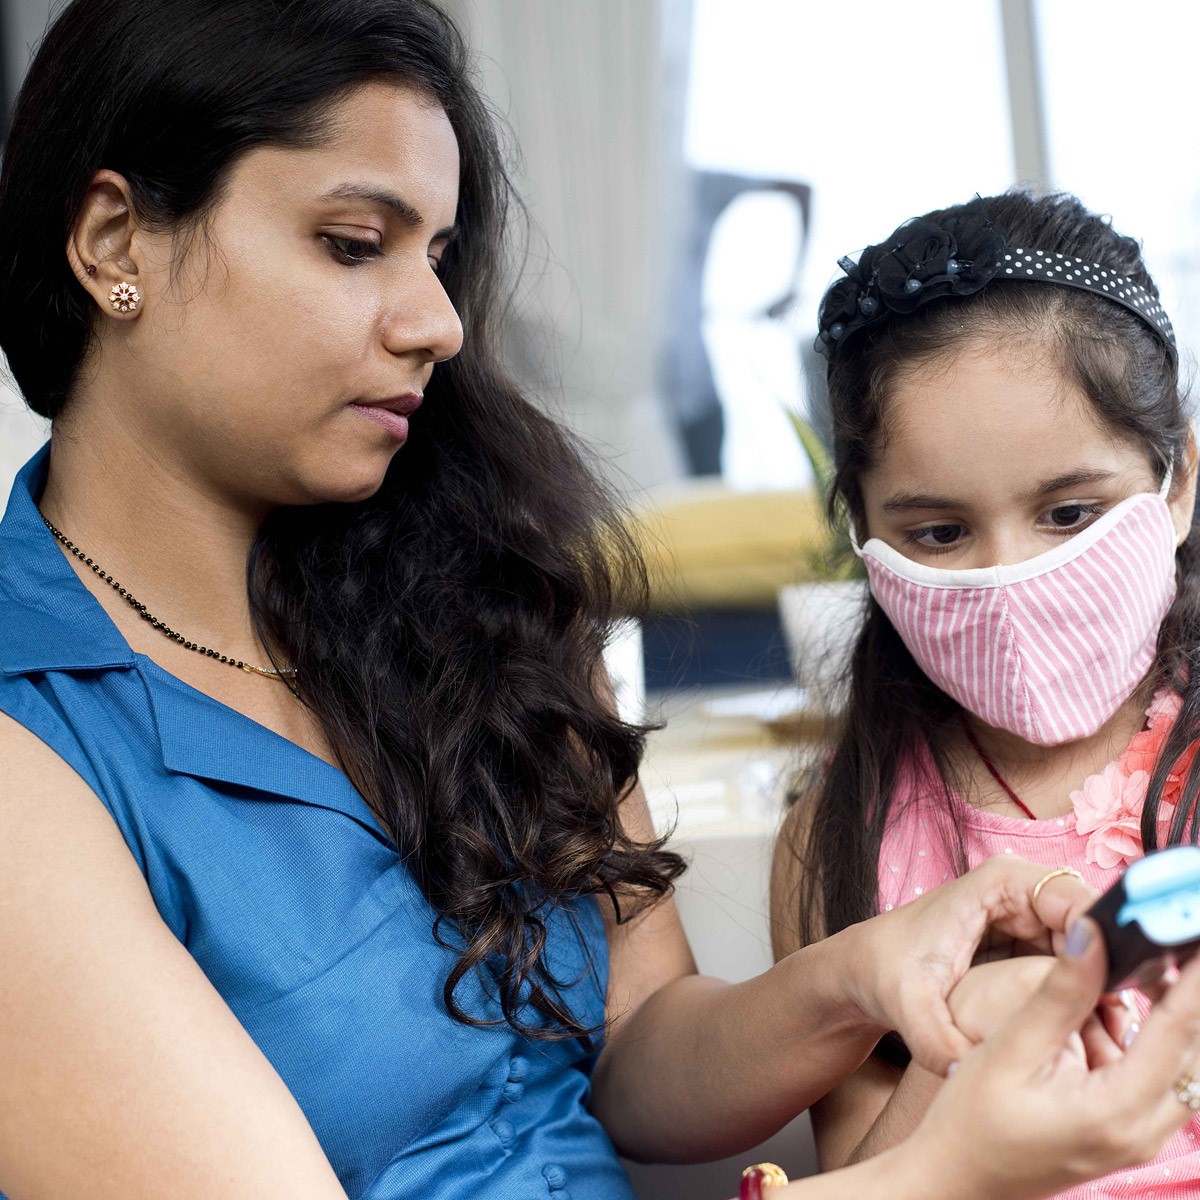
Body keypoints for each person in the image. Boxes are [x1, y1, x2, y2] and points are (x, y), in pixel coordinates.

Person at [0, 4, 1197, 1197]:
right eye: (354, 243)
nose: (439, 323)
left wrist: (865, 975)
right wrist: (946, 1174)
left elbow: (635, 1051)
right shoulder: (33, 745)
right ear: (115, 242)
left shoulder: (472, 605)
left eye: (439, 256)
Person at [771, 189, 1200, 1196]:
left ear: (1176, 481)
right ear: (864, 532)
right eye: (939, 532)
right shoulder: (841, 838)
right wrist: (962, 1039)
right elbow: (864, 1179)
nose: (1010, 576)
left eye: (1067, 510)